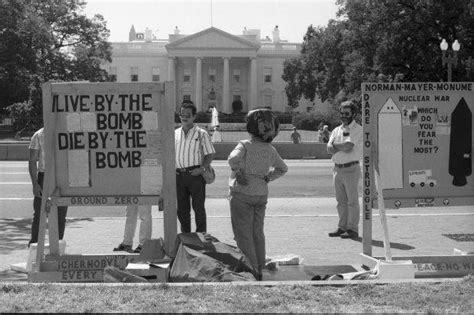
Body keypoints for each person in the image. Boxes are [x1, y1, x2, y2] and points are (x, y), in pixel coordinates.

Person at [227, 108, 288, 280]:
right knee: (257, 232)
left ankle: (251, 268)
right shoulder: (270, 149)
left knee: (243, 233)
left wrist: (238, 172)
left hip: (242, 192)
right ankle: (260, 264)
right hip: (261, 192)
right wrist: (269, 177)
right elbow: (283, 168)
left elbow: (232, 159)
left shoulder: (245, 145)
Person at [175, 100, 216, 233]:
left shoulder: (201, 133)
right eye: (182, 114)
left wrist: (202, 169)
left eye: (187, 114)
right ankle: (186, 237)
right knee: (182, 210)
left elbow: (210, 153)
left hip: (195, 174)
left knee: (198, 208)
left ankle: (201, 237)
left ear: (194, 116)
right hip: (179, 176)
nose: (184, 117)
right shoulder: (175, 133)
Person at [327, 101, 363, 239]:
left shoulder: (357, 129)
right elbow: (328, 149)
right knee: (340, 201)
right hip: (337, 169)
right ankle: (342, 227)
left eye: (347, 113)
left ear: (353, 114)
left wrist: (334, 144)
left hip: (351, 168)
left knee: (352, 201)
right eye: (342, 113)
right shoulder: (336, 130)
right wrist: (338, 146)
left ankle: (352, 229)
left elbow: (348, 147)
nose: (344, 116)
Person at [28, 127, 68, 246]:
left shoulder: (67, 131)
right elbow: (32, 161)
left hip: (62, 176)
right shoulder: (39, 134)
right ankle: (35, 245)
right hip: (44, 176)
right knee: (40, 213)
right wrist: (35, 184)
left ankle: (57, 245)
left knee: (60, 214)